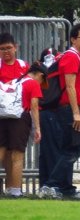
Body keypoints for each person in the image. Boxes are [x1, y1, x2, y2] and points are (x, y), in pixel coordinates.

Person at [39, 24, 80, 199]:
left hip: (71, 109)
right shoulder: (72, 56)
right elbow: (69, 86)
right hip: (69, 109)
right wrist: (76, 113)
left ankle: (66, 188)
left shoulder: (75, 57)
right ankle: (51, 185)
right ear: (73, 39)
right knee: (72, 150)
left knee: (68, 148)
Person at [0, 61, 44, 197]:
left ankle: (7, 188)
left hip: (2, 117)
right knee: (17, 156)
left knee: (1, 153)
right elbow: (34, 105)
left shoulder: (12, 82)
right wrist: (37, 128)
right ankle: (15, 190)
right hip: (20, 119)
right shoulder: (32, 83)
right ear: (40, 75)